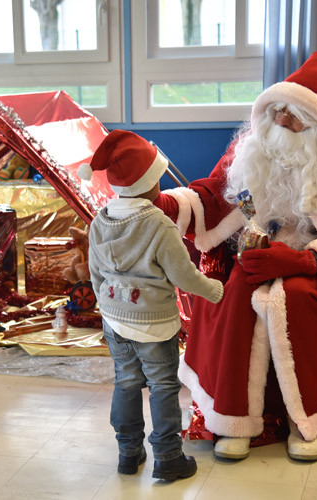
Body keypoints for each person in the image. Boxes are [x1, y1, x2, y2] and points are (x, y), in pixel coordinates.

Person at [152, 52, 317, 461]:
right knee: (231, 294)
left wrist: (306, 262)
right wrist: (169, 204)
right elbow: (219, 195)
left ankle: (306, 424)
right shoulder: (254, 149)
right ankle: (232, 421)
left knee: (295, 299)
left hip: (313, 265)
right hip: (257, 255)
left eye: (295, 114)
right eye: (276, 110)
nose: (282, 121)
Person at [81, 129, 224, 481]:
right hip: (154, 323)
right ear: (148, 184)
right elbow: (183, 275)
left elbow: (95, 272)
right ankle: (168, 457)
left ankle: (128, 454)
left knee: (126, 383)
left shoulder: (100, 220)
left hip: (114, 320)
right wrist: (214, 290)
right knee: (162, 387)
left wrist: (108, 308)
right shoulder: (158, 224)